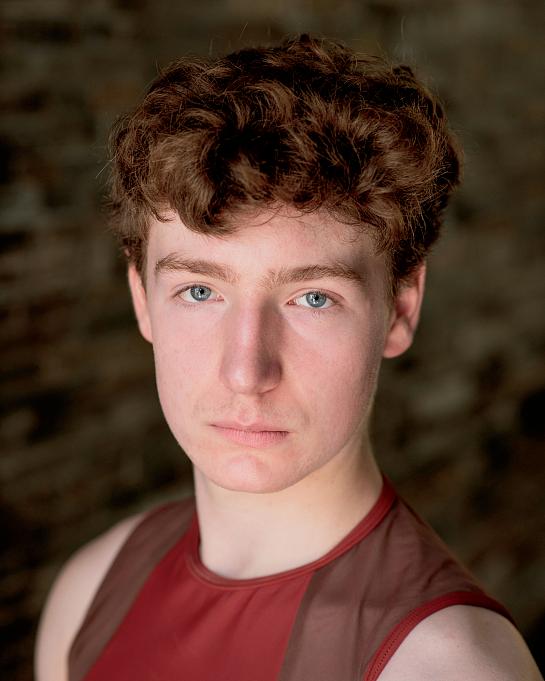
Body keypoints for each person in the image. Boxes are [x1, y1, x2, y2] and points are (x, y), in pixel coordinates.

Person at [35, 34, 542, 681]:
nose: (246, 371)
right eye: (199, 291)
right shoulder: (87, 591)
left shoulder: (447, 666)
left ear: (400, 308)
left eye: (312, 298)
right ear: (142, 300)